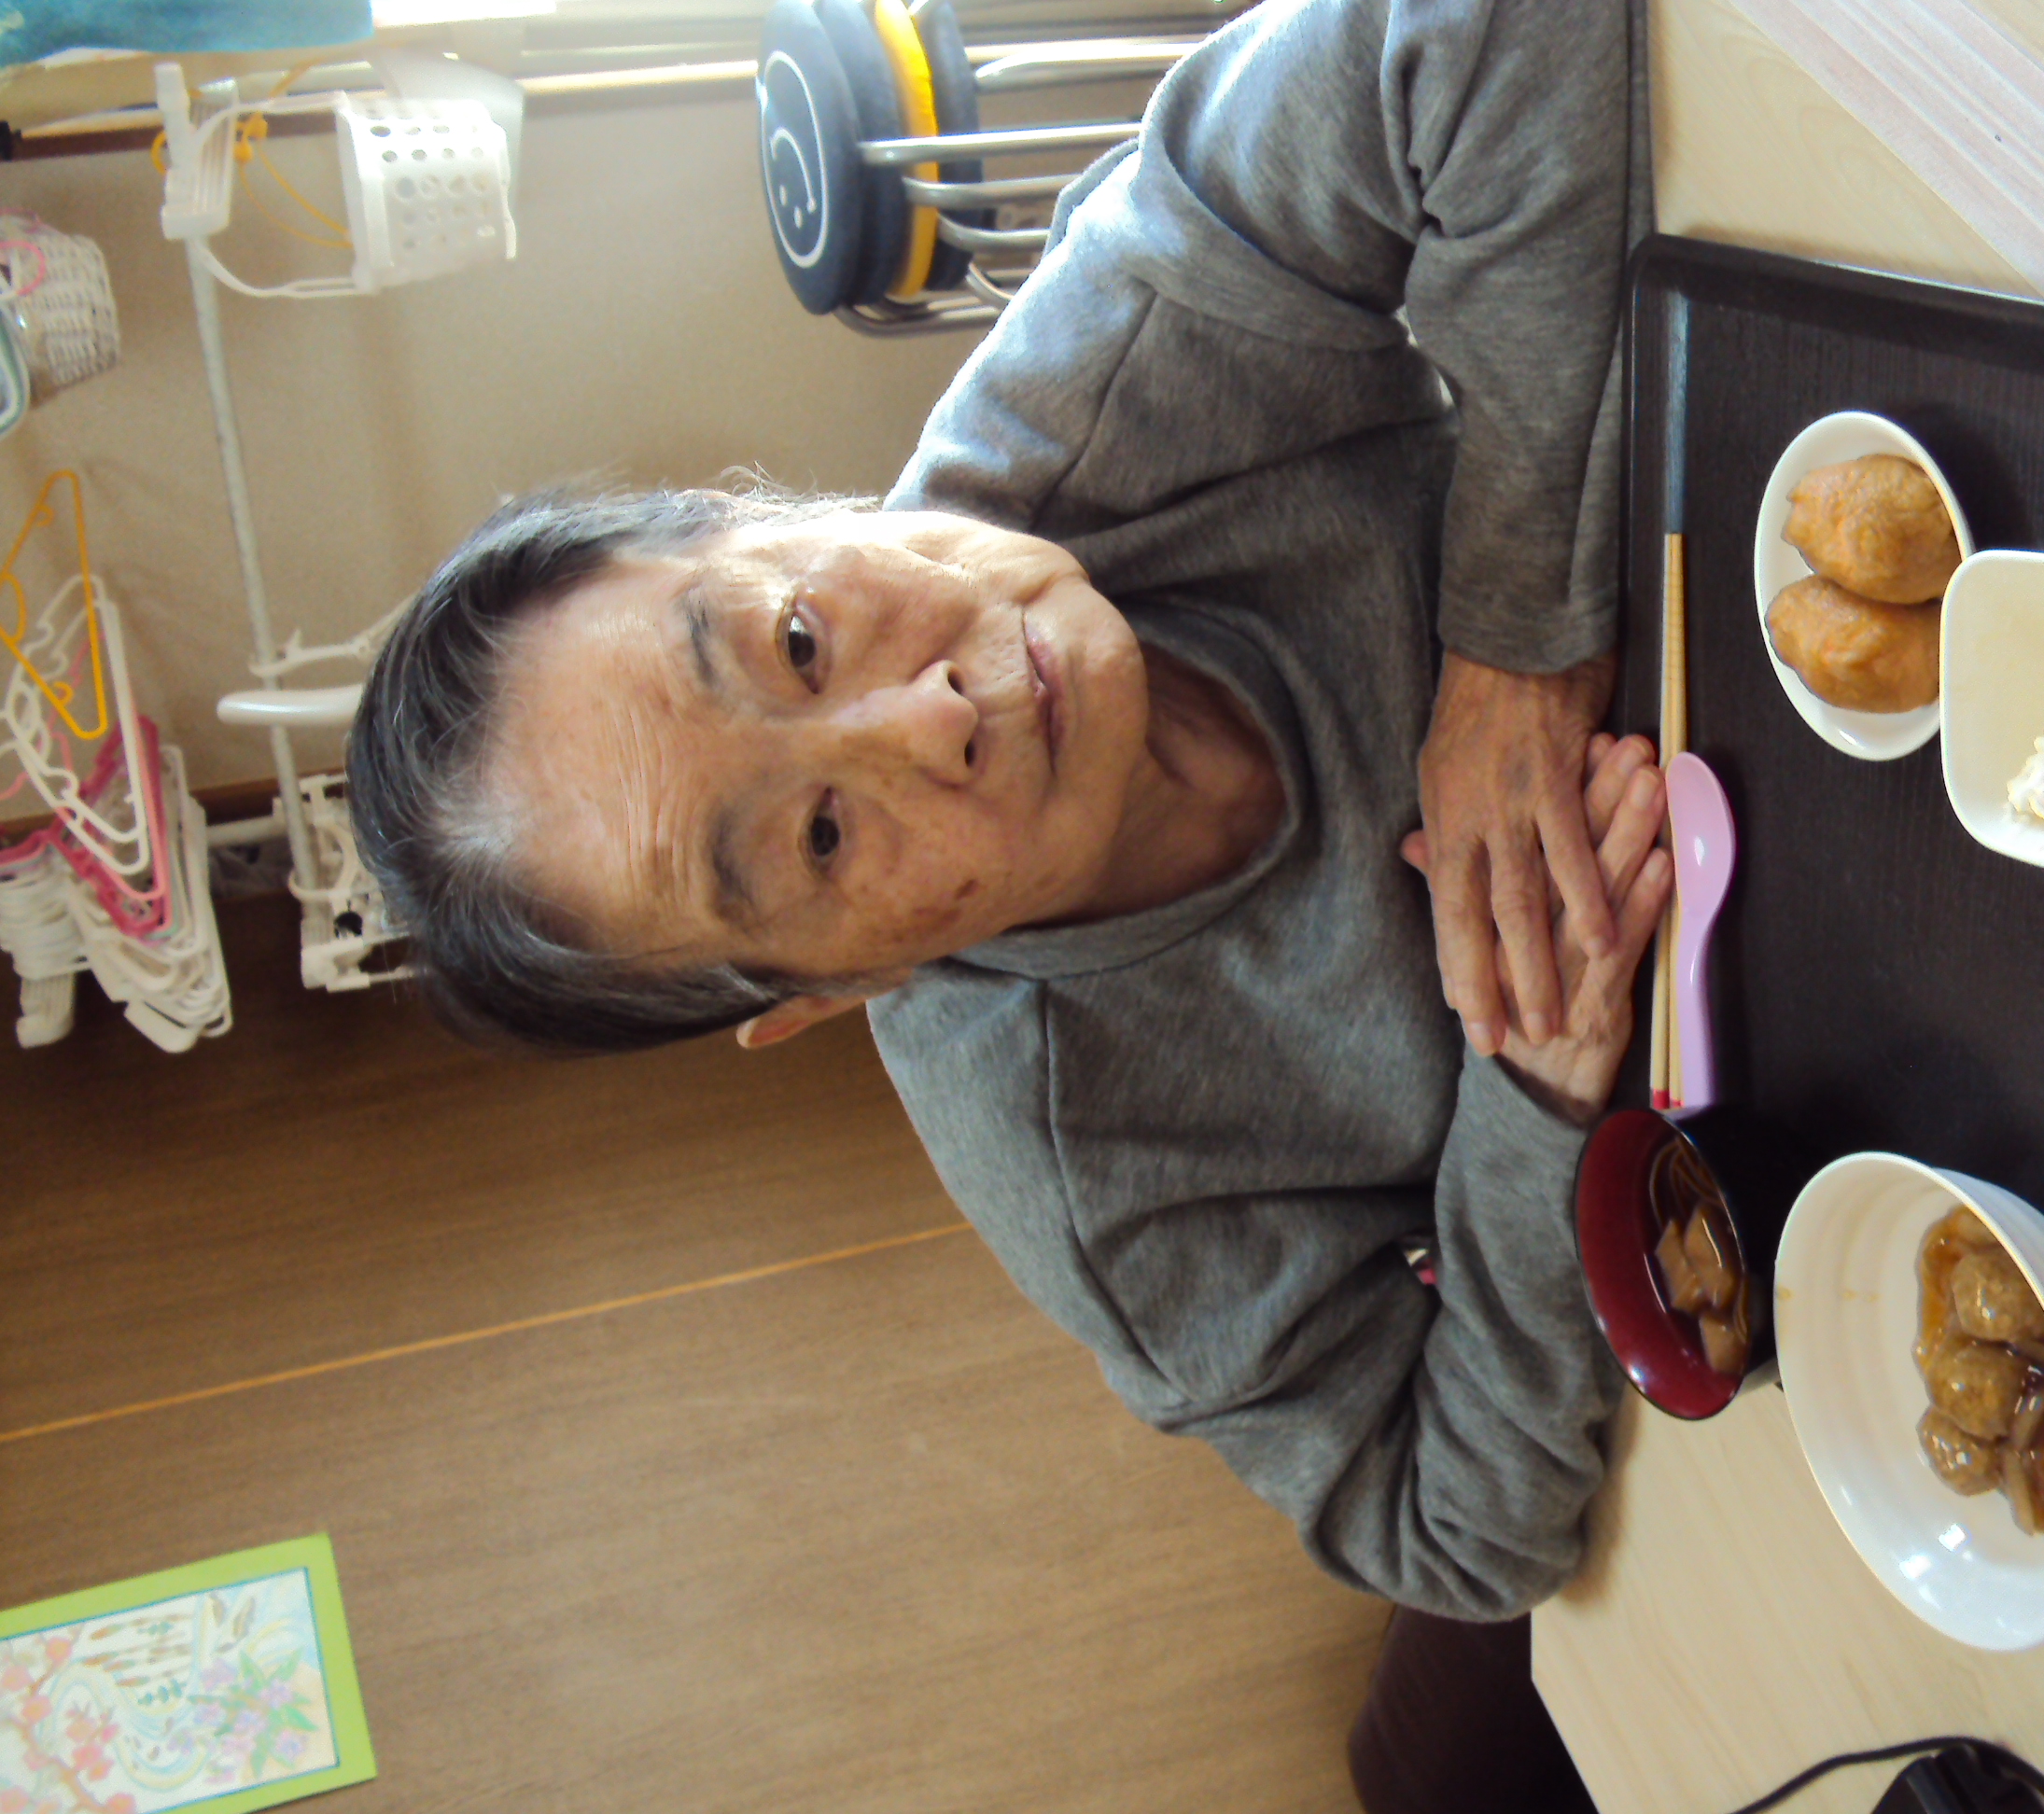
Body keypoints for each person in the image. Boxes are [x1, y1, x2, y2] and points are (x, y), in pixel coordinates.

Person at [349, 0, 1657, 1803]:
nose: (925, 721)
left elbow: (1478, 30)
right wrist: (1531, 1086)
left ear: (764, 511)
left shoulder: (1093, 399)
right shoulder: (1084, 1166)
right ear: (821, 996)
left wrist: (1516, 647)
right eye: (817, 844)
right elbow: (1448, 1533)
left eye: (795, 637)